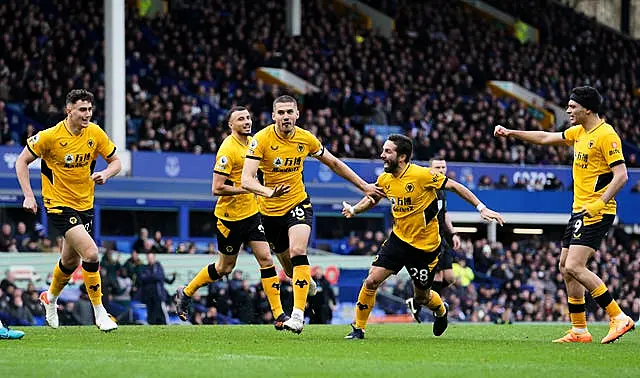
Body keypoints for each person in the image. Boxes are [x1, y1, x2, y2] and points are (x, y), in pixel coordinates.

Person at [494, 85, 635, 343]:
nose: (568, 110)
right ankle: (579, 330)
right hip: (579, 210)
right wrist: (512, 132)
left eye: (573, 106)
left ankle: (618, 317)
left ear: (588, 108)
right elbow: (546, 138)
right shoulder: (579, 131)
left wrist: (600, 202)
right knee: (565, 267)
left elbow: (622, 175)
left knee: (574, 265)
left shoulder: (606, 135)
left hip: (596, 211)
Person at [241, 95, 384, 333]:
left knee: (299, 251)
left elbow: (334, 163)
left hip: (298, 202)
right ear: (274, 116)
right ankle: (306, 282)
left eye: (290, 112)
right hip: (269, 210)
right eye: (281, 113)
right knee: (289, 269)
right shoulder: (261, 140)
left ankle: (297, 316)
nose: (286, 117)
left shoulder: (305, 138)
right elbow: (246, 179)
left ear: (297, 114)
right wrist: (268, 192)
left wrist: (365, 186)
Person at [342, 134, 504, 339]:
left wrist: (481, 208)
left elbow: (455, 186)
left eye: (387, 151)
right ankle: (359, 328)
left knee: (422, 296)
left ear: (402, 157)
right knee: (372, 280)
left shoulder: (422, 175)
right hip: (398, 241)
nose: (382, 155)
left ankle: (441, 310)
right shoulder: (385, 178)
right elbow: (373, 197)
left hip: (424, 249)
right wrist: (355, 210)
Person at [15, 89, 120, 332]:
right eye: (82, 110)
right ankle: (100, 312)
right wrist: (29, 195)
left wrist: (105, 173)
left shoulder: (95, 133)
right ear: (69, 110)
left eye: (90, 110)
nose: (87, 114)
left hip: (86, 205)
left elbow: (116, 162)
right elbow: (21, 161)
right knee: (91, 253)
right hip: (58, 205)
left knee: (69, 261)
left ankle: (49, 299)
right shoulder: (50, 137)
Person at [176, 106, 290, 330]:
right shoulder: (228, 149)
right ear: (231, 125)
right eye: (241, 119)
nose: (247, 121)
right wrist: (246, 189)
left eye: (248, 117)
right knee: (224, 268)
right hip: (229, 219)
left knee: (266, 259)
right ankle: (187, 292)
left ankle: (279, 315)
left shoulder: (253, 143)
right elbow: (216, 188)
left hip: (252, 215)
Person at [138, 252, 174, 325]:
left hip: (158, 295)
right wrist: (153, 277)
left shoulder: (159, 267)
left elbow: (159, 276)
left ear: (154, 258)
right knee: (150, 313)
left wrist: (149, 277)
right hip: (148, 295)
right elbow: (142, 278)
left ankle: (163, 325)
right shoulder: (144, 267)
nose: (150, 259)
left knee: (160, 312)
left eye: (151, 258)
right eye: (148, 258)